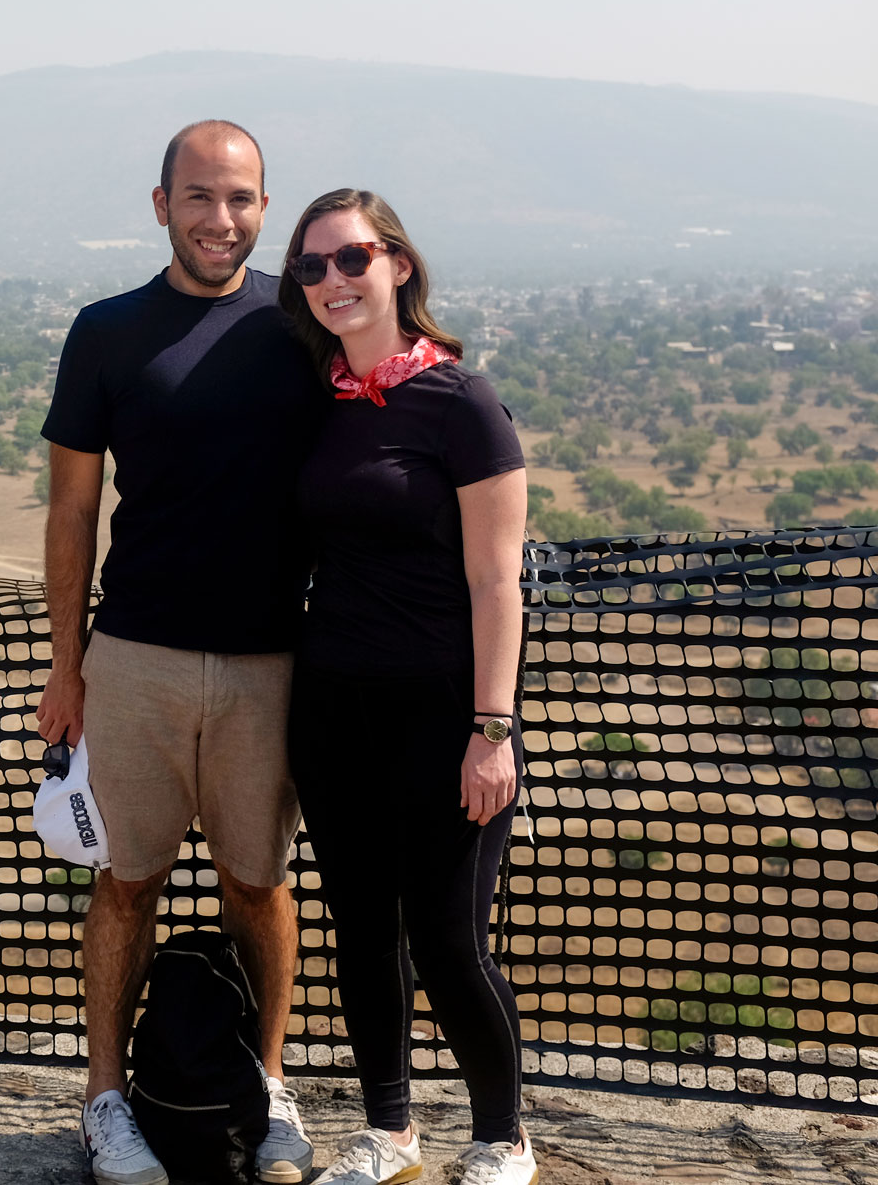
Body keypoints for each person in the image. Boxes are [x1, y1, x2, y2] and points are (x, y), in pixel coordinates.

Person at [38, 120, 327, 1185]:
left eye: (241, 198)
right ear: (158, 205)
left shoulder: (304, 328)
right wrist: (64, 665)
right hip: (134, 661)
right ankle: (104, 1100)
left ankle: (266, 1087)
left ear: (265, 208)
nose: (221, 218)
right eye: (198, 197)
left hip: (268, 664)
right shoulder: (105, 331)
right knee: (124, 883)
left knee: (258, 885)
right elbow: (71, 514)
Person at [275, 189, 535, 1185]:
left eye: (349, 259)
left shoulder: (458, 401)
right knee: (357, 926)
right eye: (310, 267)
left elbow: (493, 578)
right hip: (332, 706)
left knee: (446, 939)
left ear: (396, 264)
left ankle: (501, 1136)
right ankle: (388, 1131)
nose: (332, 281)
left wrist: (491, 728)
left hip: (442, 712)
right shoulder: (317, 401)